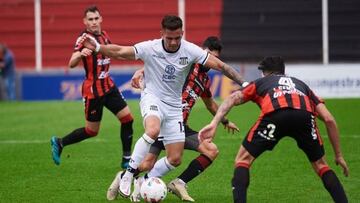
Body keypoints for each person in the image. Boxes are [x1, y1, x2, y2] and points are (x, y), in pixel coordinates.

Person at [80, 15, 247, 198]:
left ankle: (140, 181)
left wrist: (244, 87)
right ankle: (128, 175)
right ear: (162, 34)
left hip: (175, 112)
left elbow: (217, 82)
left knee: (173, 159)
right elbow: (122, 51)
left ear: (182, 34)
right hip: (154, 100)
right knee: (152, 131)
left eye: (178, 38)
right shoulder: (161, 52)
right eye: (169, 38)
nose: (174, 42)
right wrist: (98, 48)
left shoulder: (196, 64)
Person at [199, 56, 349, 203]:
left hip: (275, 115)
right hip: (304, 116)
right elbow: (329, 119)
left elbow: (232, 98)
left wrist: (214, 123)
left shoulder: (261, 82)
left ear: (265, 73)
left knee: (243, 160)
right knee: (321, 165)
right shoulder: (302, 85)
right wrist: (339, 155)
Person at [109, 36, 240, 202]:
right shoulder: (187, 65)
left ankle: (142, 179)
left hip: (179, 125)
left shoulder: (205, 81)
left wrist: (225, 121)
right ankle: (134, 179)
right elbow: (161, 67)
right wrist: (141, 71)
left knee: (207, 151)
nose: (210, 61)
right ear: (202, 52)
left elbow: (210, 105)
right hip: (165, 118)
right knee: (157, 162)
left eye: (216, 58)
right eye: (209, 55)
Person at [50, 5, 134, 169]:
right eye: (90, 19)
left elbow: (110, 52)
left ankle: (126, 158)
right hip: (93, 91)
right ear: (85, 22)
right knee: (92, 131)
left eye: (96, 18)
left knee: (127, 119)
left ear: (101, 19)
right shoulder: (83, 39)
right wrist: (81, 55)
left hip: (108, 86)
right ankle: (60, 142)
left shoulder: (104, 35)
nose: (94, 22)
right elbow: (71, 63)